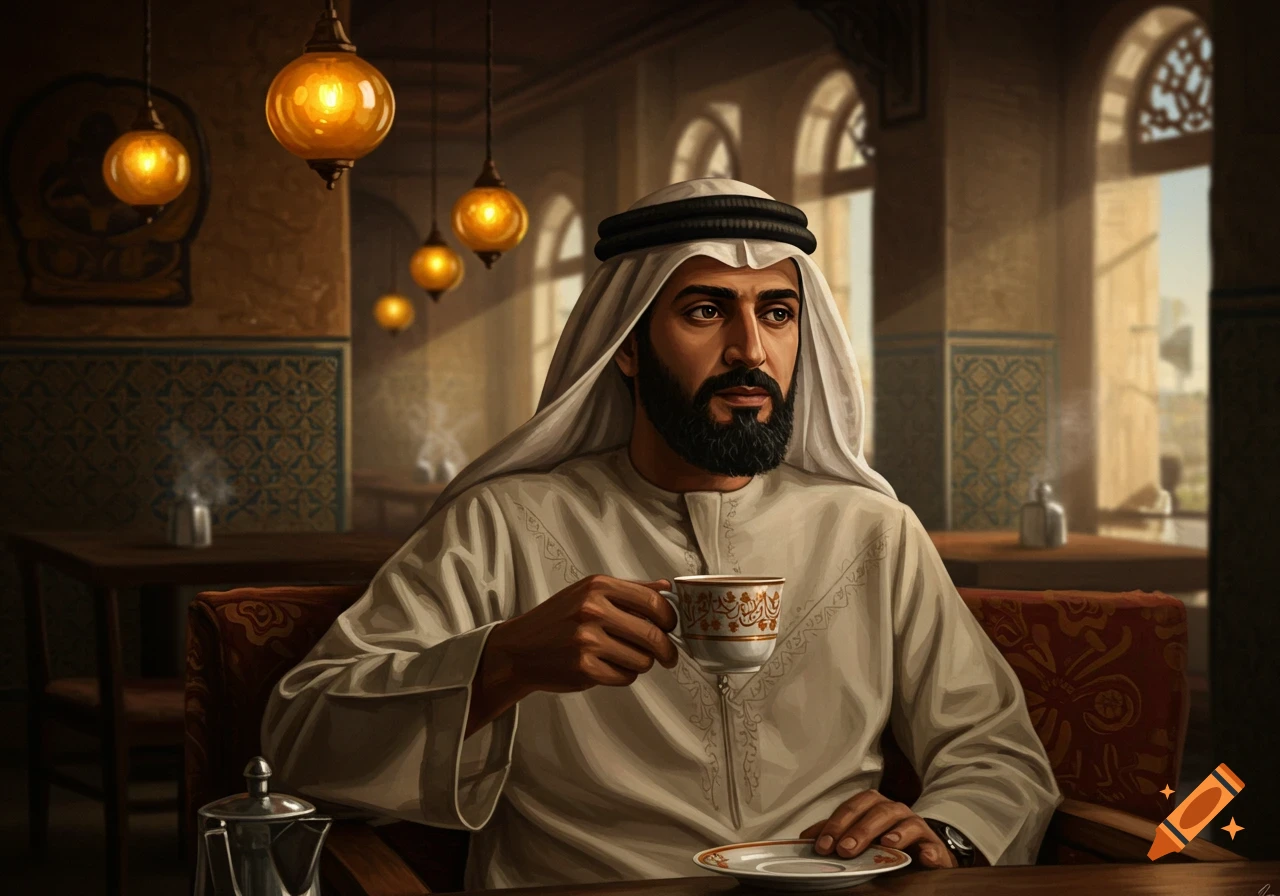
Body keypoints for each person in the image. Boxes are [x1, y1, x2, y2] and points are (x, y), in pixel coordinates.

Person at [262, 178, 1061, 889]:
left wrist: (948, 829)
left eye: (777, 314)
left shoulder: (874, 531)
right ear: (627, 349)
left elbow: (995, 749)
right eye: (707, 311)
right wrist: (502, 663)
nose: (750, 350)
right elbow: (301, 739)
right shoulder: (502, 524)